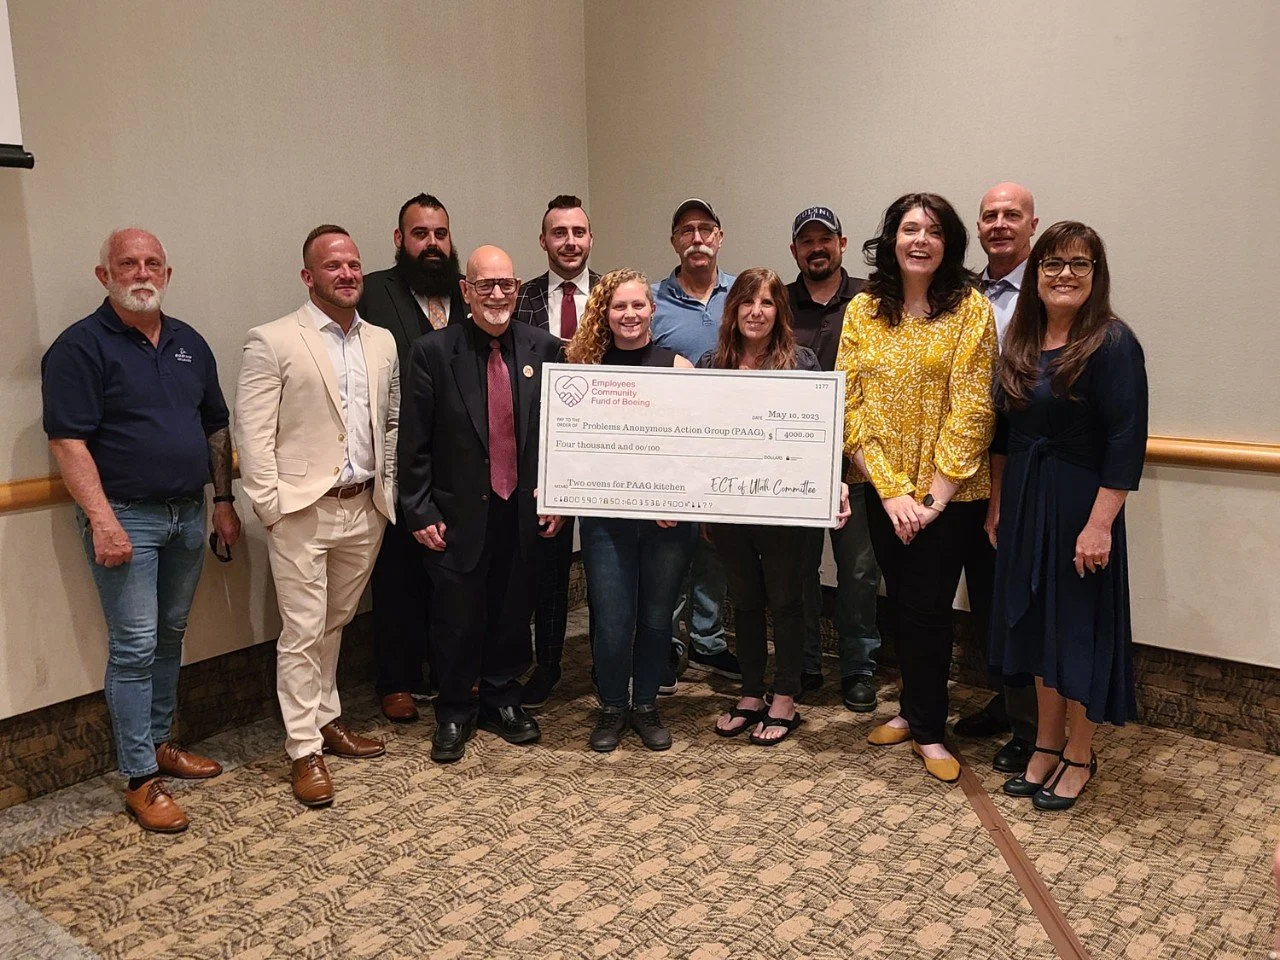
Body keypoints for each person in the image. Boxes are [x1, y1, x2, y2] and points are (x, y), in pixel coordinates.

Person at [41, 228, 237, 833]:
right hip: (125, 515)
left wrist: (223, 501)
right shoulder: (79, 347)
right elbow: (67, 441)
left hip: (187, 511)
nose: (141, 272)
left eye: (152, 262)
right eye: (127, 263)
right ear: (104, 275)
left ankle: (158, 743)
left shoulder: (188, 343)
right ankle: (139, 778)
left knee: (170, 634)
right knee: (133, 646)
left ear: (168, 274)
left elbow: (215, 426)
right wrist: (101, 519)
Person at [235, 225, 399, 807]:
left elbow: (393, 423)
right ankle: (303, 748)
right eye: (334, 266)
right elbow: (251, 432)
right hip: (303, 512)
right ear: (309, 276)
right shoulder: (274, 339)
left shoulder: (381, 341)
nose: (347, 274)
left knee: (335, 623)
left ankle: (327, 719)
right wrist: (271, 507)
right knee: (303, 632)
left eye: (354, 264)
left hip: (365, 508)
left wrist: (389, 494)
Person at [836, 193, 997, 783]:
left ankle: (930, 728)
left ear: (949, 243)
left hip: (949, 497)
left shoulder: (971, 311)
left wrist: (931, 498)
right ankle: (910, 709)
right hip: (886, 492)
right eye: (909, 229)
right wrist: (891, 489)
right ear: (892, 240)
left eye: (932, 231)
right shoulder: (863, 311)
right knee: (902, 600)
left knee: (929, 608)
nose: (920, 240)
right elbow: (849, 403)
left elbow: (974, 410)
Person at [988, 222, 1148, 810]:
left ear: (1095, 274)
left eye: (1078, 264)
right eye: (1052, 264)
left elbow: (1127, 441)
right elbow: (1006, 433)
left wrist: (1100, 523)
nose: (1063, 274)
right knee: (1034, 625)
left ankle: (1080, 753)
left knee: (1076, 630)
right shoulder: (1024, 341)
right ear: (1035, 274)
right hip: (1028, 500)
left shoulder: (1111, 343)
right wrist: (1001, 502)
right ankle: (1045, 745)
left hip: (1083, 506)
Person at [398, 245, 565, 764]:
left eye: (507, 285)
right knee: (455, 616)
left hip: (521, 510)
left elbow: (557, 436)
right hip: (455, 514)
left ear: (518, 290)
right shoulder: (431, 352)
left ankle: (500, 698)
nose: (497, 295)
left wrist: (558, 494)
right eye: (485, 285)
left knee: (513, 611)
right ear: (465, 290)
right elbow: (414, 441)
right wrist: (419, 509)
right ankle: (453, 710)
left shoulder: (545, 349)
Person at [704, 268, 851, 746]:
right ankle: (751, 692)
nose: (756, 312)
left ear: (779, 312)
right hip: (729, 508)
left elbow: (821, 438)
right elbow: (697, 441)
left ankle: (785, 695)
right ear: (733, 311)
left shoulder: (802, 363)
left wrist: (834, 486)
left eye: (767, 303)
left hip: (786, 510)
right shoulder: (712, 366)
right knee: (743, 600)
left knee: (787, 600)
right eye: (747, 302)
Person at [564, 269, 696, 751]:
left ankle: (646, 706)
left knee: (658, 618)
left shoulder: (680, 368)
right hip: (607, 521)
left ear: (652, 309)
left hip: (668, 522)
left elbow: (693, 448)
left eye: (638, 305)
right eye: (619, 306)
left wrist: (676, 498)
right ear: (606, 312)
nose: (629, 315)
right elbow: (574, 450)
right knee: (614, 619)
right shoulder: (585, 373)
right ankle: (612, 707)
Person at [359, 193, 465, 723]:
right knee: (398, 573)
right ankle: (396, 680)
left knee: (454, 572)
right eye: (420, 234)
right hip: (398, 458)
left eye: (440, 234)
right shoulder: (373, 293)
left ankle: (453, 672)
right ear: (400, 240)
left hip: (462, 462)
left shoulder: (466, 293)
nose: (432, 244)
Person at [953, 182, 1042, 774]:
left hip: (1023, 462)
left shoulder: (1050, 290)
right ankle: (1007, 701)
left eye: (1013, 215)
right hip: (962, 463)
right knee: (986, 596)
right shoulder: (961, 292)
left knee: (1021, 599)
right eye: (990, 216)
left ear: (1033, 225)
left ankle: (1035, 725)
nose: (1000, 224)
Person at [786, 206, 880, 712]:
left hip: (858, 462)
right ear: (795, 250)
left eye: (826, 239)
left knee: (860, 572)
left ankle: (859, 667)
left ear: (842, 243)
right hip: (795, 466)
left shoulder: (872, 300)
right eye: (806, 241)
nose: (816, 248)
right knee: (798, 570)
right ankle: (803, 662)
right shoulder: (776, 303)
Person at [514, 195, 601, 709]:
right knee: (547, 568)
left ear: (591, 238)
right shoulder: (518, 298)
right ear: (543, 240)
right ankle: (545, 666)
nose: (570, 241)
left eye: (578, 232)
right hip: (541, 455)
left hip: (608, 455)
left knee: (614, 562)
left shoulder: (618, 297)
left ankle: (617, 663)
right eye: (559, 232)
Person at [650, 198, 741, 687]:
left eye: (706, 228)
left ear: (720, 237)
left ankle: (708, 639)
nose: (697, 238)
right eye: (686, 230)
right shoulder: (651, 300)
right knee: (670, 547)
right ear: (674, 242)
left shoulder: (741, 294)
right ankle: (667, 642)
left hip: (725, 445)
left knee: (714, 548)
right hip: (668, 447)